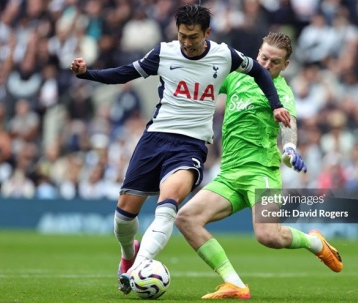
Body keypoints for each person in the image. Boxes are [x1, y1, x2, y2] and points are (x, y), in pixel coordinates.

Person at [69, 4, 291, 295]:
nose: (186, 42)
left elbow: (260, 74)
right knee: (123, 217)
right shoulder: (164, 52)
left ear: (207, 33)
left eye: (193, 37)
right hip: (155, 138)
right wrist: (88, 74)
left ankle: (138, 271)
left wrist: (276, 104)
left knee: (168, 205)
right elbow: (125, 73)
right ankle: (129, 256)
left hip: (191, 145)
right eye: (183, 35)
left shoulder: (225, 55)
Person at [175, 32, 343, 300]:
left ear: (285, 66)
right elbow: (206, 80)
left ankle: (315, 243)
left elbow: (289, 127)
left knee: (268, 236)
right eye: (263, 57)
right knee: (186, 218)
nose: (265, 65)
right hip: (229, 175)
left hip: (261, 173)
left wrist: (289, 150)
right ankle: (235, 284)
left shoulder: (282, 92)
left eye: (274, 62)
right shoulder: (238, 75)